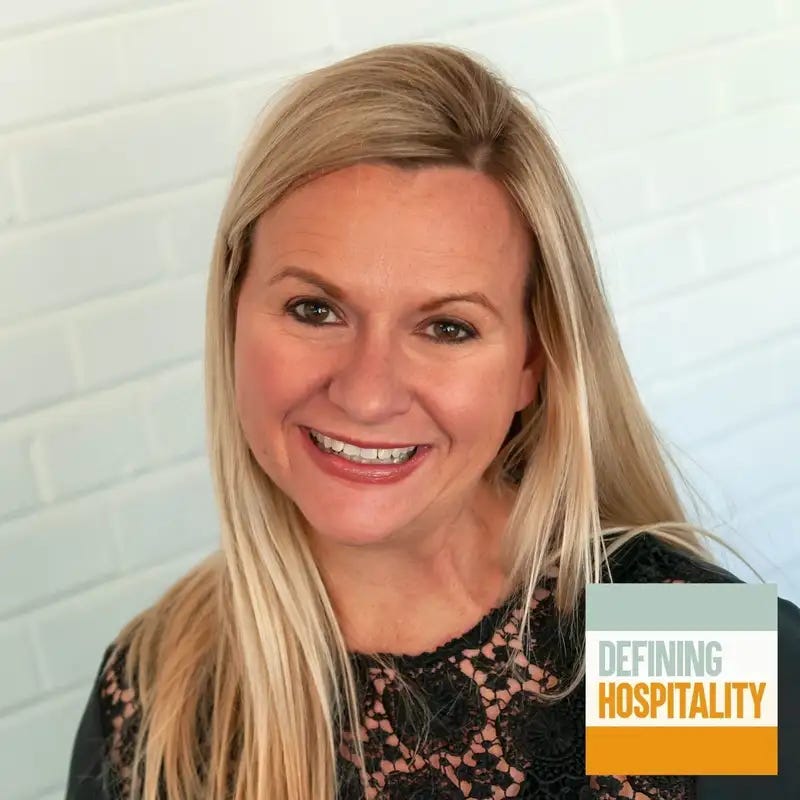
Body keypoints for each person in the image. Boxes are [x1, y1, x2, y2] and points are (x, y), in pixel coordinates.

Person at [64, 42, 800, 800]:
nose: (367, 394)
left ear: (532, 362)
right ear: (231, 316)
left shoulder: (674, 642)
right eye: (314, 309)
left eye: (447, 327)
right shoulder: (159, 691)